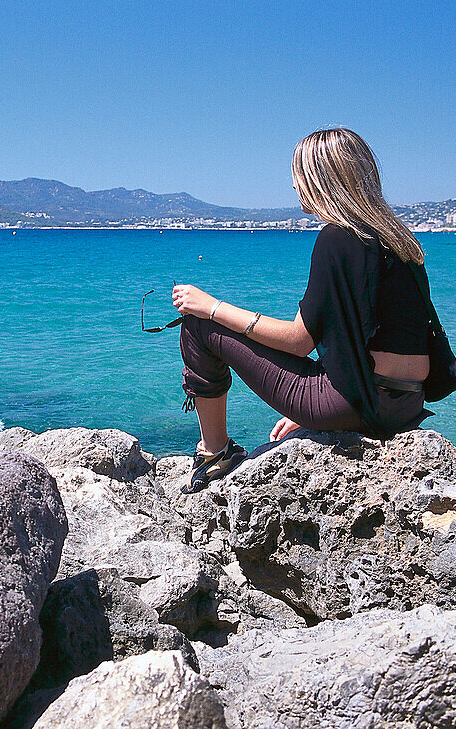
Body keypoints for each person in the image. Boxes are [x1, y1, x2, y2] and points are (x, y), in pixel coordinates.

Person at [172, 128, 434, 493]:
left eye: (299, 174)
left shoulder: (338, 238)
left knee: (198, 327)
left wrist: (211, 306)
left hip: (358, 405)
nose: (294, 185)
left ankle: (215, 454)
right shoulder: (400, 242)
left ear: (321, 178)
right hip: (404, 405)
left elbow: (298, 342)